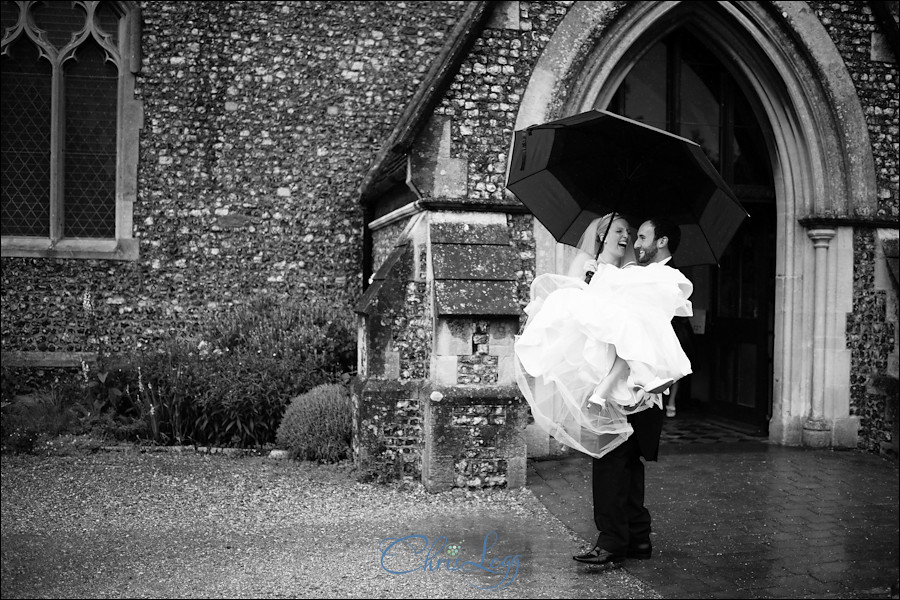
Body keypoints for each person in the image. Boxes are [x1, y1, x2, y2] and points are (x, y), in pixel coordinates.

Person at [514, 213, 693, 461]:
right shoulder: (588, 260)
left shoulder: (627, 270)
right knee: (623, 322)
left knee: (627, 323)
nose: (627, 237)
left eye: (629, 234)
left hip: (611, 342)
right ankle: (629, 377)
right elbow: (571, 294)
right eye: (619, 231)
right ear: (602, 236)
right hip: (585, 328)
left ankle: (620, 382)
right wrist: (586, 278)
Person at [572, 216, 693, 566]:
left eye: (640, 236)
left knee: (611, 462)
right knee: (624, 464)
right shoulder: (627, 275)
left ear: (661, 241)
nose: (634, 242)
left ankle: (611, 542)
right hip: (622, 385)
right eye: (627, 234)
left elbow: (678, 339)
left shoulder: (661, 278)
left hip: (638, 389)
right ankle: (637, 538)